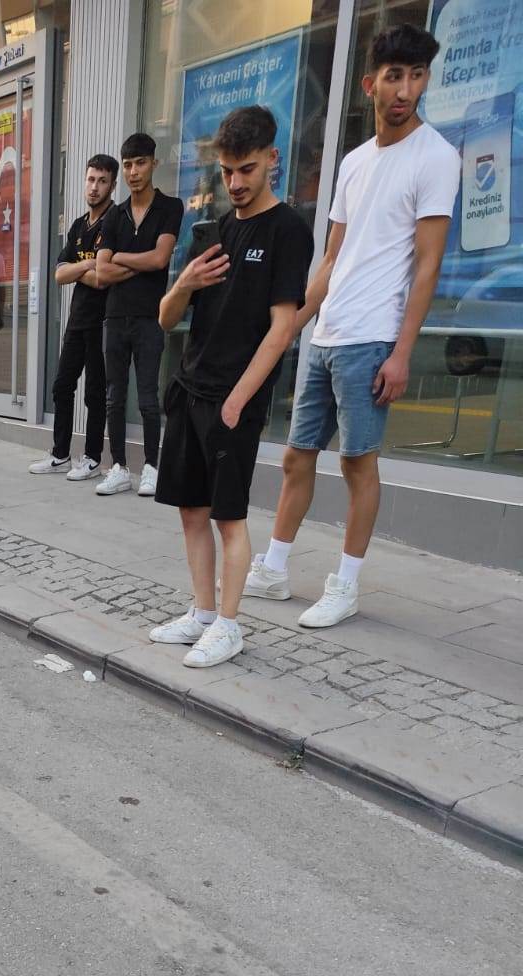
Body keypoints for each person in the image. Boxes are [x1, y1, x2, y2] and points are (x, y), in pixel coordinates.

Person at [245, 25, 459, 629]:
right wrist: (291, 327)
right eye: (394, 75)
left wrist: (402, 353)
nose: (405, 89)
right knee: (296, 456)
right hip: (329, 333)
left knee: (358, 464)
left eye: (416, 75)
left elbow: (428, 264)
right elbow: (333, 258)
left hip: (373, 339)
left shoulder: (437, 157)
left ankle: (346, 584)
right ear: (370, 83)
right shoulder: (355, 161)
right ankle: (275, 568)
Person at [149, 106, 314, 668]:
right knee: (191, 511)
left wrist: (239, 401)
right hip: (191, 387)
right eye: (227, 172)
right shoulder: (212, 231)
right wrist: (186, 282)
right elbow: (166, 318)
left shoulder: (288, 229)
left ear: (272, 159)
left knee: (228, 517)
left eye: (246, 169)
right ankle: (199, 613)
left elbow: (282, 327)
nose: (237, 183)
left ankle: (229, 624)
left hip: (232, 400)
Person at [94, 133, 184, 497]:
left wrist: (120, 258)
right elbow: (101, 273)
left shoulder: (170, 207)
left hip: (150, 317)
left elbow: (161, 259)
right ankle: (118, 467)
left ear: (153, 164)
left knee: (148, 396)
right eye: (128, 165)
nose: (133, 172)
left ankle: (152, 466)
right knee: (114, 396)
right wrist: (139, 262)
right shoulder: (114, 215)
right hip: (115, 318)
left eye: (140, 163)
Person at [28, 154, 116, 481]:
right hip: (77, 321)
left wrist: (78, 270)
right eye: (90, 179)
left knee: (95, 393)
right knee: (62, 385)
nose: (94, 187)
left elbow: (103, 278)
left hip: (103, 321)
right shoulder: (79, 225)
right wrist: (86, 266)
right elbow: (59, 274)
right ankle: (60, 454)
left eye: (102, 181)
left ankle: (92, 458)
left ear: (112, 185)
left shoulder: (114, 222)